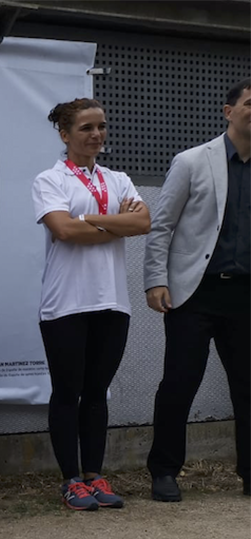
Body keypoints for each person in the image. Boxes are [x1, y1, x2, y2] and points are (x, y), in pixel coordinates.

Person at [32, 99, 151, 510]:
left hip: (113, 301)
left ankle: (94, 475)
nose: (96, 135)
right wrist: (110, 225)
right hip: (65, 302)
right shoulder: (50, 180)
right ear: (65, 135)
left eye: (101, 126)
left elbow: (143, 223)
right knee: (68, 392)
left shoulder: (118, 179)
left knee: (97, 392)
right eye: (86, 128)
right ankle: (69, 479)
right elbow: (62, 230)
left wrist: (88, 223)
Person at [144, 77, 251, 502]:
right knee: (180, 382)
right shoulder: (192, 161)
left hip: (246, 296)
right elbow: (162, 225)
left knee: (248, 386)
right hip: (195, 293)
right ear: (229, 112)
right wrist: (156, 279)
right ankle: (165, 471)